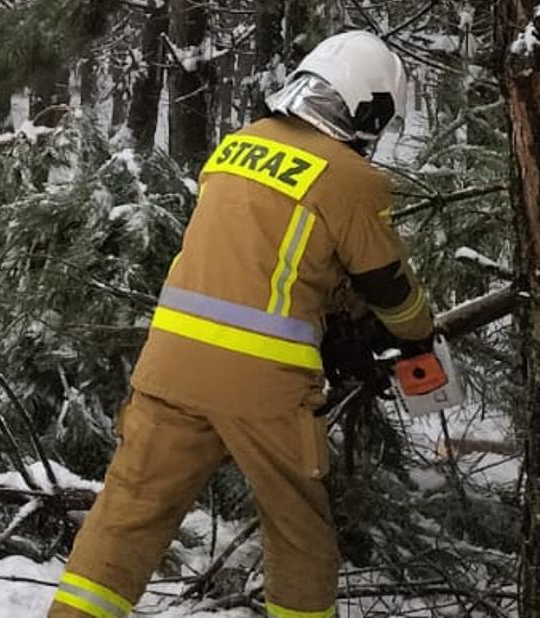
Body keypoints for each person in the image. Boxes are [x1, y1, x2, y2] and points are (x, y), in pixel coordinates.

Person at [49, 31, 436, 618]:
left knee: (128, 515)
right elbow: (389, 287)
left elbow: (263, 255)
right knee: (297, 527)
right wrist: (416, 335)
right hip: (263, 385)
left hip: (169, 365)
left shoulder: (237, 147)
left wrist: (332, 310)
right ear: (369, 110)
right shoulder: (352, 179)